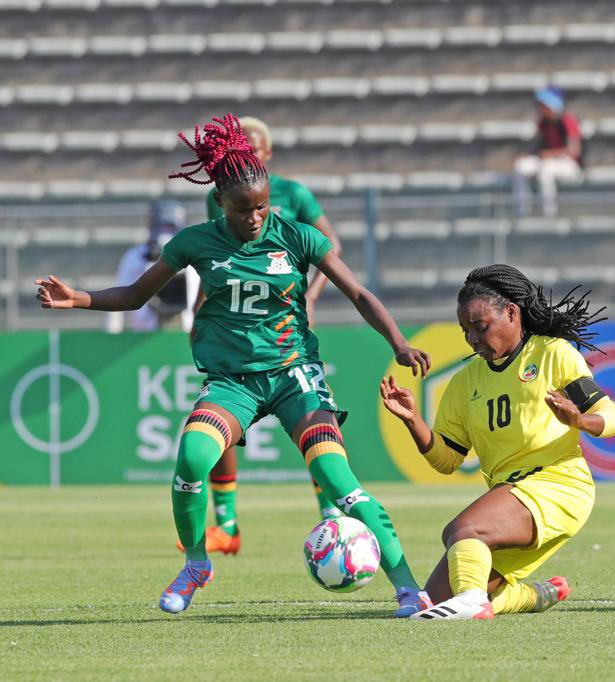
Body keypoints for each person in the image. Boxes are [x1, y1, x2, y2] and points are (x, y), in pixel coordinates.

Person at [36, 114, 433, 618]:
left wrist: (397, 341)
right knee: (191, 459)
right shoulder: (194, 242)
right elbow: (137, 294)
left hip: (295, 376)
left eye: (262, 207)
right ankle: (197, 564)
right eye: (245, 209)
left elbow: (357, 292)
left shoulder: (298, 236)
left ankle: (406, 588)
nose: (256, 218)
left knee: (338, 480)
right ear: (220, 202)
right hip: (233, 382)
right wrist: (79, 299)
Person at [380, 264, 615, 620]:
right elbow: (447, 460)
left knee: (462, 530)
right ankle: (534, 595)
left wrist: (579, 420)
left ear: (511, 312)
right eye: (465, 331)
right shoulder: (465, 381)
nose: (473, 339)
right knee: (430, 603)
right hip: (509, 501)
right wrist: (414, 421)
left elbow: (614, 418)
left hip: (559, 485)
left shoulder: (552, 353)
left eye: (480, 327)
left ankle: (473, 602)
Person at [195, 117, 343, 552]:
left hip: (288, 329)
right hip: (234, 329)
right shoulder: (219, 197)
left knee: (314, 414)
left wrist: (311, 297)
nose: (249, 155)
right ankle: (227, 523)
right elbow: (219, 260)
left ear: (269, 154)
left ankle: (332, 515)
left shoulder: (294, 195)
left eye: (256, 149)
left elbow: (331, 246)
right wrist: (200, 310)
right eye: (242, 148)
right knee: (217, 414)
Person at [106, 200, 199, 334]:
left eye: (170, 227)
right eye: (161, 227)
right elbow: (119, 292)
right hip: (144, 332)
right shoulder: (136, 256)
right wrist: (112, 333)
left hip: (184, 331)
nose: (166, 232)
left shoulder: (192, 255)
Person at [513, 86, 583, 217]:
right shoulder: (543, 122)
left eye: (544, 104)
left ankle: (549, 213)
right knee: (521, 166)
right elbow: (540, 146)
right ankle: (523, 210)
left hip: (569, 164)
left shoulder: (567, 120)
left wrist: (549, 154)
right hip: (548, 160)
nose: (541, 108)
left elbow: (574, 150)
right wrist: (531, 154)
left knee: (546, 170)